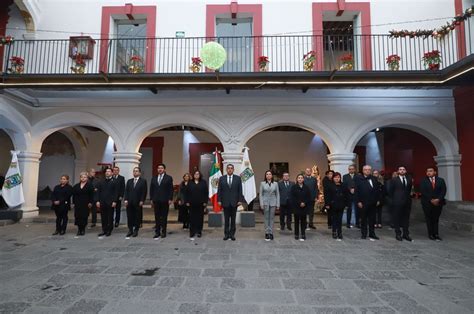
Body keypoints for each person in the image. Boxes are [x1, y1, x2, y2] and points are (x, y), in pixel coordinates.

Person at [355, 165, 382, 240]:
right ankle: (364, 234)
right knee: (363, 219)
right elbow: (356, 191)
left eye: (369, 170)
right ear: (363, 170)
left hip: (373, 202)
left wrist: (378, 200)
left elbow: (377, 190)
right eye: (366, 170)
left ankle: (372, 233)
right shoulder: (358, 179)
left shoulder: (374, 178)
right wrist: (358, 201)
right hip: (363, 202)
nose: (367, 171)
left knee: (372, 219)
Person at [217, 164, 243, 241]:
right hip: (225, 202)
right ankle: (226, 234)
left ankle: (232, 234)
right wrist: (219, 200)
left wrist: (240, 200)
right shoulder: (222, 178)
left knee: (233, 219)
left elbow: (240, 190)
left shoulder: (238, 179)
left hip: (234, 202)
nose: (230, 170)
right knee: (226, 219)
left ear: (233, 169)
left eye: (231, 168)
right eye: (228, 168)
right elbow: (219, 190)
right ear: (226, 169)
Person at [420, 167, 447, 241]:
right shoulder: (423, 181)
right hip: (427, 203)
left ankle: (436, 234)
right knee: (429, 218)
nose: (429, 172)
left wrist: (438, 199)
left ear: (435, 172)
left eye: (431, 171)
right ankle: (431, 234)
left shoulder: (441, 180)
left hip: (438, 202)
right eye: (427, 171)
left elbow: (443, 191)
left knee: (436, 218)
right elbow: (423, 191)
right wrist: (431, 200)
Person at [389, 166, 413, 242]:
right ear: (398, 171)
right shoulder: (394, 180)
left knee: (406, 218)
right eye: (400, 169)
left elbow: (409, 190)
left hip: (407, 202)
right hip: (397, 202)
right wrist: (394, 200)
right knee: (397, 218)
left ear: (405, 171)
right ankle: (398, 234)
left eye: (403, 170)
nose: (402, 171)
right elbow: (390, 191)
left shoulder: (409, 179)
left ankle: (406, 234)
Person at [150, 163, 174, 239]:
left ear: (164, 169)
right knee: (157, 217)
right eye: (158, 168)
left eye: (161, 168)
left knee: (164, 217)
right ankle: (157, 232)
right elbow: (151, 189)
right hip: (156, 200)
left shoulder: (169, 178)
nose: (160, 169)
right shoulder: (154, 178)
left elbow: (171, 189)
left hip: (165, 200)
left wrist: (170, 199)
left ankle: (163, 231)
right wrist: (151, 199)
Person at [124, 167, 147, 238]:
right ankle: (130, 230)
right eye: (134, 171)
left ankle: (136, 230)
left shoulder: (143, 181)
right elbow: (126, 191)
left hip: (138, 202)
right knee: (129, 216)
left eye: (136, 171)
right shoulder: (129, 181)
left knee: (137, 217)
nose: (135, 172)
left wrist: (142, 200)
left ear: (139, 173)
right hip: (129, 202)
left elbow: (144, 192)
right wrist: (126, 199)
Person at [185, 170, 208, 240]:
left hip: (201, 203)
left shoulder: (203, 182)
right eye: (195, 174)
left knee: (200, 218)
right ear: (193, 175)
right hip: (192, 203)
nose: (196, 175)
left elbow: (205, 193)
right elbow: (187, 193)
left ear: (200, 175)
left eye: (198, 174)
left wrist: (205, 202)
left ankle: (199, 231)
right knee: (192, 218)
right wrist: (187, 201)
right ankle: (192, 231)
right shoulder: (190, 182)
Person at [325, 172, 348, 240]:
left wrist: (346, 204)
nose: (337, 179)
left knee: (339, 220)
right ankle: (334, 232)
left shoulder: (343, 185)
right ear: (333, 178)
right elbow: (327, 196)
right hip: (333, 205)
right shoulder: (330, 185)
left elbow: (346, 195)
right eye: (335, 177)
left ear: (340, 178)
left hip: (341, 205)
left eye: (338, 177)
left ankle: (340, 232)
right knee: (334, 219)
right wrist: (327, 204)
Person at [96, 168, 118, 237]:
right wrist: (97, 201)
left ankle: (109, 230)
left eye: (109, 171)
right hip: (102, 202)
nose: (107, 173)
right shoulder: (101, 181)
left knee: (110, 217)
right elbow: (98, 192)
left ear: (112, 173)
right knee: (103, 217)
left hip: (110, 202)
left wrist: (114, 201)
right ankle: (104, 230)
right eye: (106, 171)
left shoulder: (115, 181)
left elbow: (116, 192)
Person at [259, 170, 280, 241]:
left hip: (273, 203)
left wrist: (278, 204)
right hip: (265, 203)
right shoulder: (262, 183)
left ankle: (271, 233)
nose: (268, 175)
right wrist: (261, 203)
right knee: (266, 218)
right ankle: (266, 233)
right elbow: (261, 195)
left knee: (271, 218)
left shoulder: (275, 184)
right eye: (267, 174)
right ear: (265, 176)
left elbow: (277, 194)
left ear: (272, 176)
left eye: (270, 174)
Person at [72, 172, 94, 236]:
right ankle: (79, 229)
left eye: (84, 177)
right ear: (80, 178)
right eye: (82, 177)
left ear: (87, 178)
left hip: (86, 203)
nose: (83, 178)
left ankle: (83, 229)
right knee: (78, 216)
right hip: (78, 203)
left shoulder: (90, 186)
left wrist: (90, 202)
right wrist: (73, 203)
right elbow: (74, 195)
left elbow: (92, 195)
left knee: (84, 217)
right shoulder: (76, 186)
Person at [291, 174, 311, 241]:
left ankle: (303, 234)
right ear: (297, 179)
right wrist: (299, 203)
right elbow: (293, 197)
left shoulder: (306, 187)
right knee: (296, 221)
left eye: (301, 178)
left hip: (304, 207)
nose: (300, 179)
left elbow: (308, 197)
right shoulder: (294, 187)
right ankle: (296, 234)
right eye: (299, 178)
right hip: (296, 207)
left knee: (303, 221)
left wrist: (304, 203)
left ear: (303, 179)